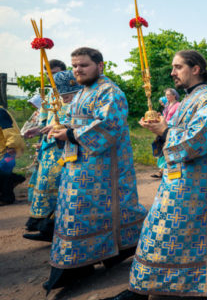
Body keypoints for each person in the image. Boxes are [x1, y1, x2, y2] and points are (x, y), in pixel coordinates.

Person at [107, 50, 207, 300]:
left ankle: (157, 286)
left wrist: (165, 129)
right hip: (180, 179)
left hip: (199, 185)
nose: (172, 72)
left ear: (196, 68)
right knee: (160, 230)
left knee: (164, 233)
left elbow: (199, 140)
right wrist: (161, 130)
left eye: (178, 67)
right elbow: (178, 133)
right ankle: (147, 286)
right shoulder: (190, 99)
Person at [45, 48, 146, 293]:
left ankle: (82, 264)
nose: (77, 70)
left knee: (91, 215)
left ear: (100, 66)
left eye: (83, 65)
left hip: (104, 171)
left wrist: (69, 133)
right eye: (75, 66)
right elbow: (76, 121)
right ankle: (85, 263)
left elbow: (108, 126)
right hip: (77, 167)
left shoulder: (110, 92)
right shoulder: (83, 93)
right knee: (78, 215)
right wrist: (59, 129)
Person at [23, 71, 82, 242]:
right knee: (53, 186)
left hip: (73, 148)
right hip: (54, 144)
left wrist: (64, 128)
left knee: (66, 189)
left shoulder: (86, 96)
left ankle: (52, 229)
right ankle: (46, 226)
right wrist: (40, 130)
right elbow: (48, 118)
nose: (65, 99)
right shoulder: (51, 94)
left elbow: (82, 122)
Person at [0, 107, 26, 205]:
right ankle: (16, 178)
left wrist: (11, 146)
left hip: (8, 150)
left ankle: (7, 198)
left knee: (4, 170)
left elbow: (10, 131)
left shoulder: (0, 112)